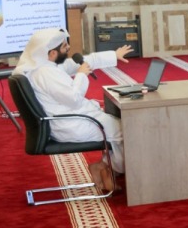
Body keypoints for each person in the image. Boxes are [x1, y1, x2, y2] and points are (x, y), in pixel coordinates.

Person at [13, 29, 133, 188]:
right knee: (130, 131)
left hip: (73, 119)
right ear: (52, 53)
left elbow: (81, 62)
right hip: (72, 124)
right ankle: (106, 168)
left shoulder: (46, 66)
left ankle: (106, 170)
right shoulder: (45, 74)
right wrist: (81, 75)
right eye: (64, 46)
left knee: (117, 126)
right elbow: (74, 99)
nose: (68, 47)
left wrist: (113, 55)